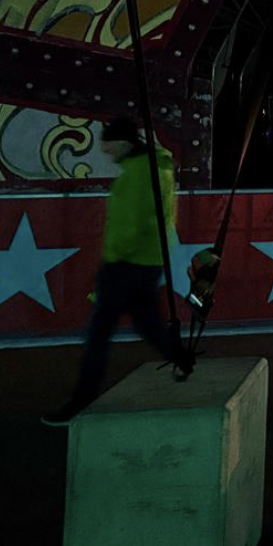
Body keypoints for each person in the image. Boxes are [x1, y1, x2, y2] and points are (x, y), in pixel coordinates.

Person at [42, 118, 178, 426]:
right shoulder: (156, 168)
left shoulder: (138, 174)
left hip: (126, 265)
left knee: (98, 334)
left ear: (124, 144)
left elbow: (128, 226)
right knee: (149, 326)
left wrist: (109, 265)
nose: (105, 151)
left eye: (109, 145)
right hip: (147, 261)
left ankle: (82, 400)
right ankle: (183, 362)